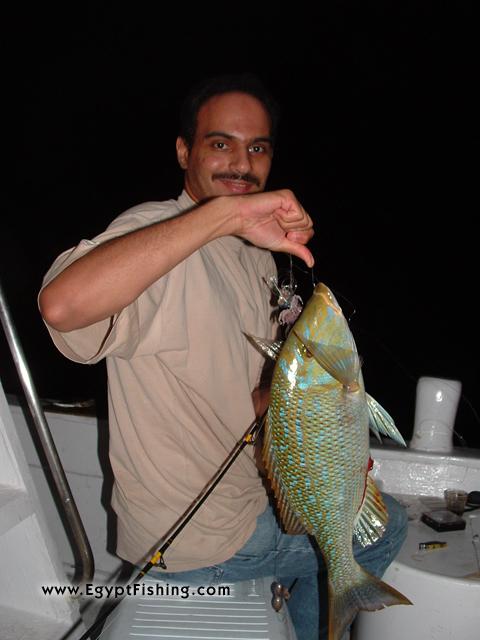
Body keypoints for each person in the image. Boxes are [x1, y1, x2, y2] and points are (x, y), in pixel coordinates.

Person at [39, 73, 407, 639]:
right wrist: (228, 215)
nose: (242, 162)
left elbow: (251, 397)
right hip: (197, 543)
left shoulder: (252, 251)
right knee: (387, 532)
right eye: (220, 143)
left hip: (245, 504)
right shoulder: (155, 231)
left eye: (257, 147)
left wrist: (324, 436)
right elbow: (62, 306)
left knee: (369, 510)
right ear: (184, 150)